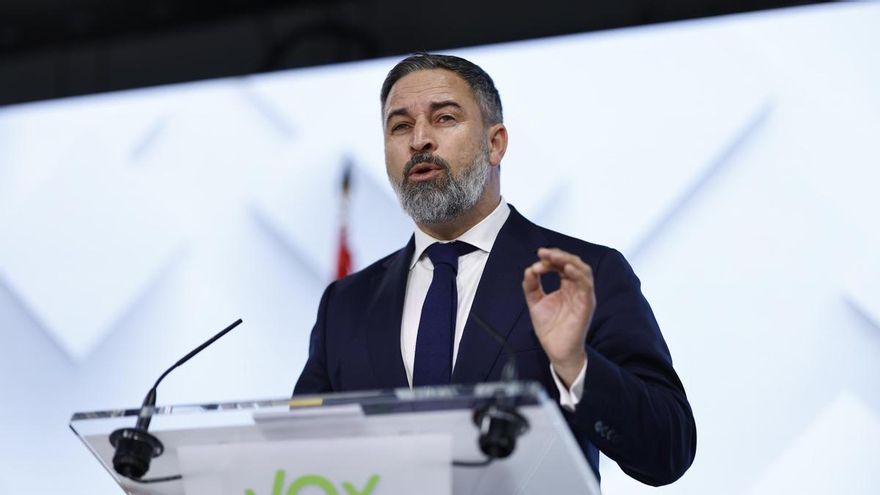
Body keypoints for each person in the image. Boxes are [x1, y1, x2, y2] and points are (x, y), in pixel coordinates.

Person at [294, 53, 696, 486]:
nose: (420, 140)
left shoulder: (581, 273)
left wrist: (576, 365)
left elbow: (667, 449)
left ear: (495, 143)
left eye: (444, 118)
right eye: (400, 126)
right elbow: (293, 452)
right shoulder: (347, 303)